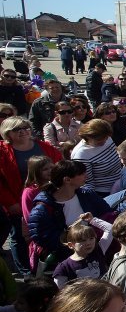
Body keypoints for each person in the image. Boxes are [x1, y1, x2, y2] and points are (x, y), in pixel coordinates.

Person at [0, 117, 63, 276]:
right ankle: (25, 271)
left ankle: (44, 267)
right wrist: (10, 202)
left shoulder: (44, 147)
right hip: (18, 201)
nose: (22, 131)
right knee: (20, 236)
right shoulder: (2, 151)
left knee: (45, 233)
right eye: (16, 129)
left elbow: (60, 167)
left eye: (25, 127)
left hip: (48, 198)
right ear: (8, 133)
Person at [70, 119, 121, 197]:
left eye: (106, 138)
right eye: (100, 140)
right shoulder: (81, 154)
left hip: (121, 181)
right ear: (88, 137)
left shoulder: (107, 138)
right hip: (105, 192)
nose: (105, 141)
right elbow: (87, 182)